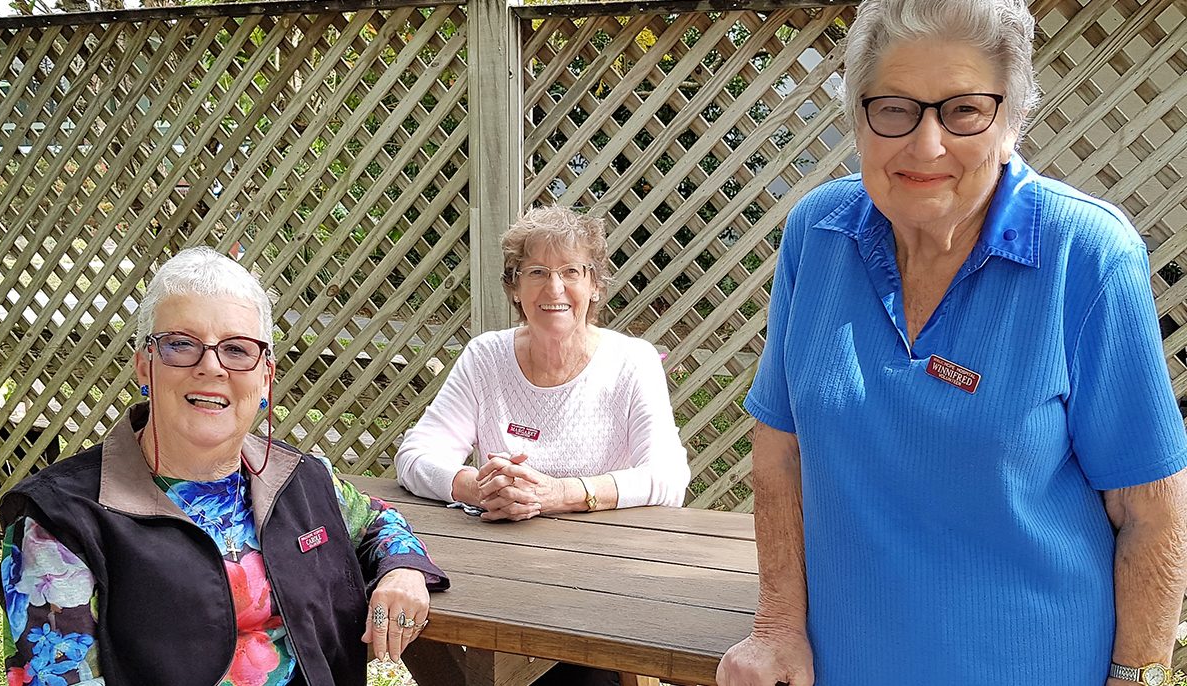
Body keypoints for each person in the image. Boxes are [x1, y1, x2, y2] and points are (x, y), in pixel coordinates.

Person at [716, 1, 1187, 685]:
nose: (926, 144)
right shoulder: (816, 236)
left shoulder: (1085, 256)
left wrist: (1137, 680)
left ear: (1013, 121)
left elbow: (1153, 512)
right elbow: (779, 452)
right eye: (895, 109)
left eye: (964, 110)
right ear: (858, 118)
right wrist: (777, 628)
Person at [0, 247, 449, 686]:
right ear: (143, 365)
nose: (211, 367)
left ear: (266, 375)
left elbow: (376, 521)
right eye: (180, 344)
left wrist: (402, 570)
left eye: (236, 350)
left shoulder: (299, 478)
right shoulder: (59, 523)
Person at [395, 204, 690, 685]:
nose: (554, 289)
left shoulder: (630, 362)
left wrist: (557, 495)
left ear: (594, 284)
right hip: (498, 584)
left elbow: (668, 478)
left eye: (571, 271)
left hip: (604, 591)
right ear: (514, 287)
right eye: (536, 272)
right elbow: (414, 456)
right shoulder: (486, 356)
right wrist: (477, 486)